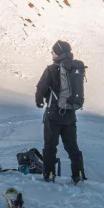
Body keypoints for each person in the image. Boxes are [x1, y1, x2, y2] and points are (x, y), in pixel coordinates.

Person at [35, 40, 86, 184]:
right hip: (70, 114)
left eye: (53, 51)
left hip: (54, 114)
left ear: (58, 53)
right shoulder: (74, 68)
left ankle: (49, 174)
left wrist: (39, 101)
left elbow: (41, 88)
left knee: (50, 146)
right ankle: (79, 174)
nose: (52, 53)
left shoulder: (52, 69)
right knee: (72, 147)